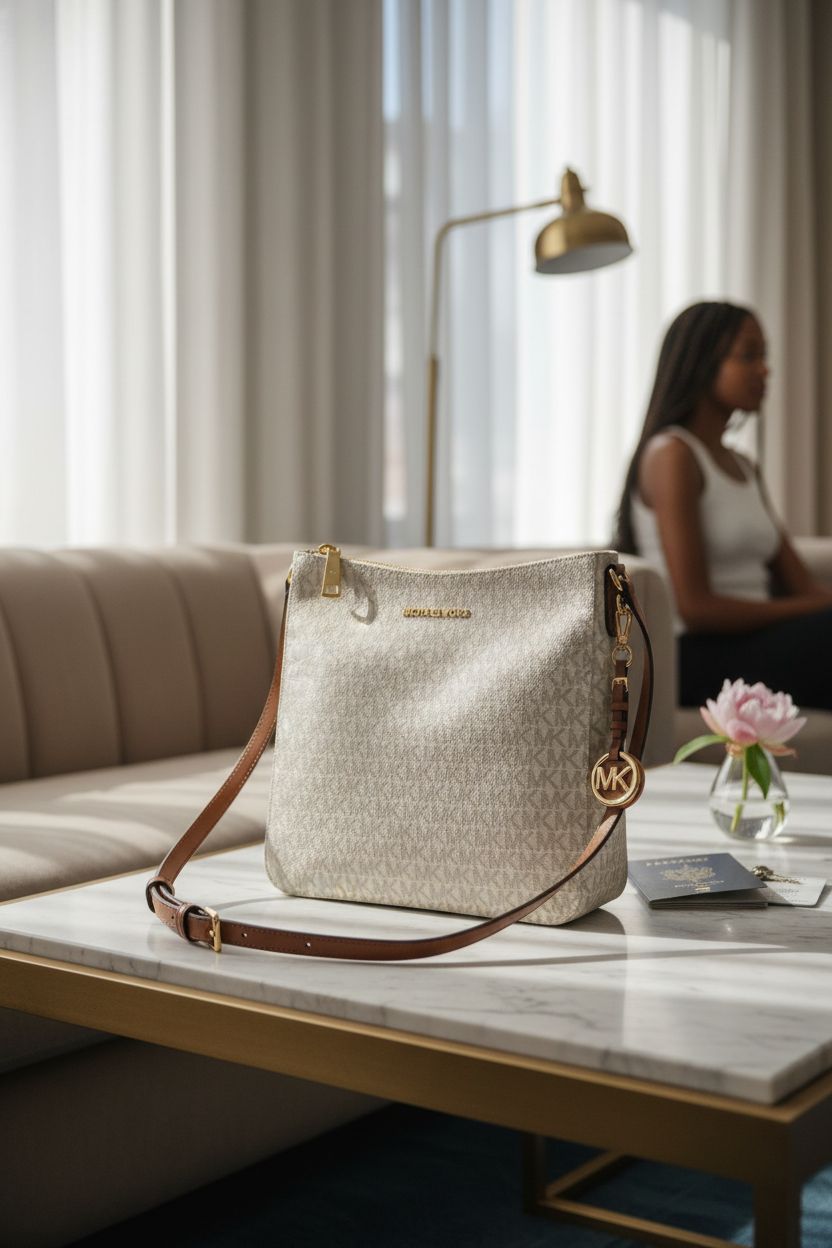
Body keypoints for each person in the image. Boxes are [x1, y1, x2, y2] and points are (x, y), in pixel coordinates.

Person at [613, 300, 832, 709]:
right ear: (702, 362)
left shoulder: (745, 466)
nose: (765, 370)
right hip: (699, 654)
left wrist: (811, 606)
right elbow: (696, 609)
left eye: (764, 356)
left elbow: (802, 585)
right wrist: (807, 610)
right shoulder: (672, 455)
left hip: (762, 641)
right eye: (749, 356)